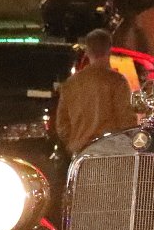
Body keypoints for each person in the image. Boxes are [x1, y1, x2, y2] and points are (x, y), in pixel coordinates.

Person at [54, 28, 137, 156]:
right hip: (111, 153)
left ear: (87, 52)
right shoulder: (117, 81)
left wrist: (75, 142)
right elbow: (127, 121)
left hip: (81, 153)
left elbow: (62, 125)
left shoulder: (70, 84)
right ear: (109, 50)